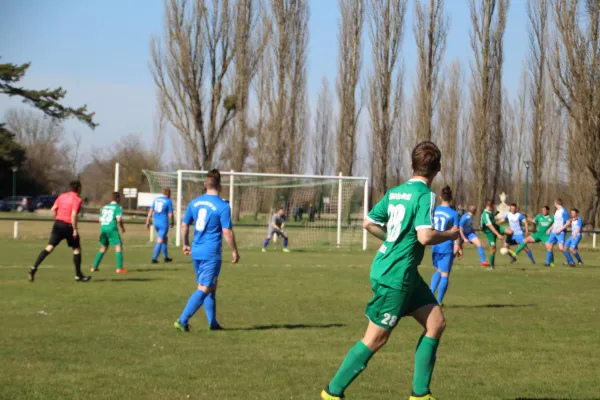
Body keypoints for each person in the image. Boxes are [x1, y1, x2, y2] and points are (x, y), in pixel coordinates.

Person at [320, 141, 460, 400]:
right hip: (395, 275)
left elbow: (369, 223)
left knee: (436, 323)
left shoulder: (395, 192)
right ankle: (332, 393)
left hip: (404, 272)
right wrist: (450, 234)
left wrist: (391, 240)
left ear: (411, 164)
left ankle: (420, 395)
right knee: (375, 338)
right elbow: (425, 236)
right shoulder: (426, 196)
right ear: (437, 169)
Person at [174, 169, 240, 332]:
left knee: (211, 286)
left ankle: (213, 322)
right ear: (220, 185)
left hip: (196, 251)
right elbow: (227, 231)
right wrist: (234, 251)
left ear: (205, 185)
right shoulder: (223, 206)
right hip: (211, 253)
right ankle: (182, 320)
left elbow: (183, 225)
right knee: (204, 288)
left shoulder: (194, 203)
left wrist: (185, 244)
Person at [28, 181, 90, 282]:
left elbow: (53, 209)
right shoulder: (77, 199)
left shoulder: (62, 196)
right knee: (76, 249)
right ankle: (78, 275)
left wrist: (57, 217)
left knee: (49, 247)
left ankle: (34, 268)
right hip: (68, 225)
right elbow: (73, 215)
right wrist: (74, 229)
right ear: (78, 189)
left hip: (58, 224)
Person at [430, 186, 460, 306]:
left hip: (434, 243)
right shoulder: (453, 213)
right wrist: (457, 244)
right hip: (446, 244)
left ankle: (430, 296)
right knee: (445, 273)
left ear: (441, 197)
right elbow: (455, 230)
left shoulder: (434, 210)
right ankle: (439, 301)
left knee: (438, 269)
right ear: (451, 198)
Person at [91, 192, 127, 274]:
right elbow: (119, 219)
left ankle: (94, 267)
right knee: (118, 247)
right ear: (118, 199)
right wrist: (122, 228)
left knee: (103, 247)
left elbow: (99, 220)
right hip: (112, 228)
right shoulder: (118, 207)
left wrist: (104, 227)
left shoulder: (105, 207)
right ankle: (119, 268)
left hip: (103, 228)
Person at [480, 199, 513, 269]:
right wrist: (498, 235)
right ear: (491, 205)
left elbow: (493, 221)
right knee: (493, 249)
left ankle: (505, 245)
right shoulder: (485, 214)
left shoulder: (490, 212)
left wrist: (495, 215)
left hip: (496, 228)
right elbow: (490, 226)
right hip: (490, 233)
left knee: (510, 232)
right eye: (493, 206)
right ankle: (491, 267)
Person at [146, 188, 174, 264]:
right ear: (168, 193)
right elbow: (170, 214)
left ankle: (166, 258)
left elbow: (151, 210)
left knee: (165, 239)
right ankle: (154, 259)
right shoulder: (168, 201)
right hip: (163, 223)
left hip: (156, 223)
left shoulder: (156, 199)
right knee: (160, 240)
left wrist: (147, 220)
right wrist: (172, 222)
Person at [545, 199, 572, 267]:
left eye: (554, 202)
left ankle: (571, 261)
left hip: (560, 233)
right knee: (549, 245)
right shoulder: (557, 211)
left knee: (561, 248)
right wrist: (550, 229)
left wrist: (560, 230)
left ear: (556, 203)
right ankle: (548, 263)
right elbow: (555, 222)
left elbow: (568, 223)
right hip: (554, 232)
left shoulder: (564, 212)